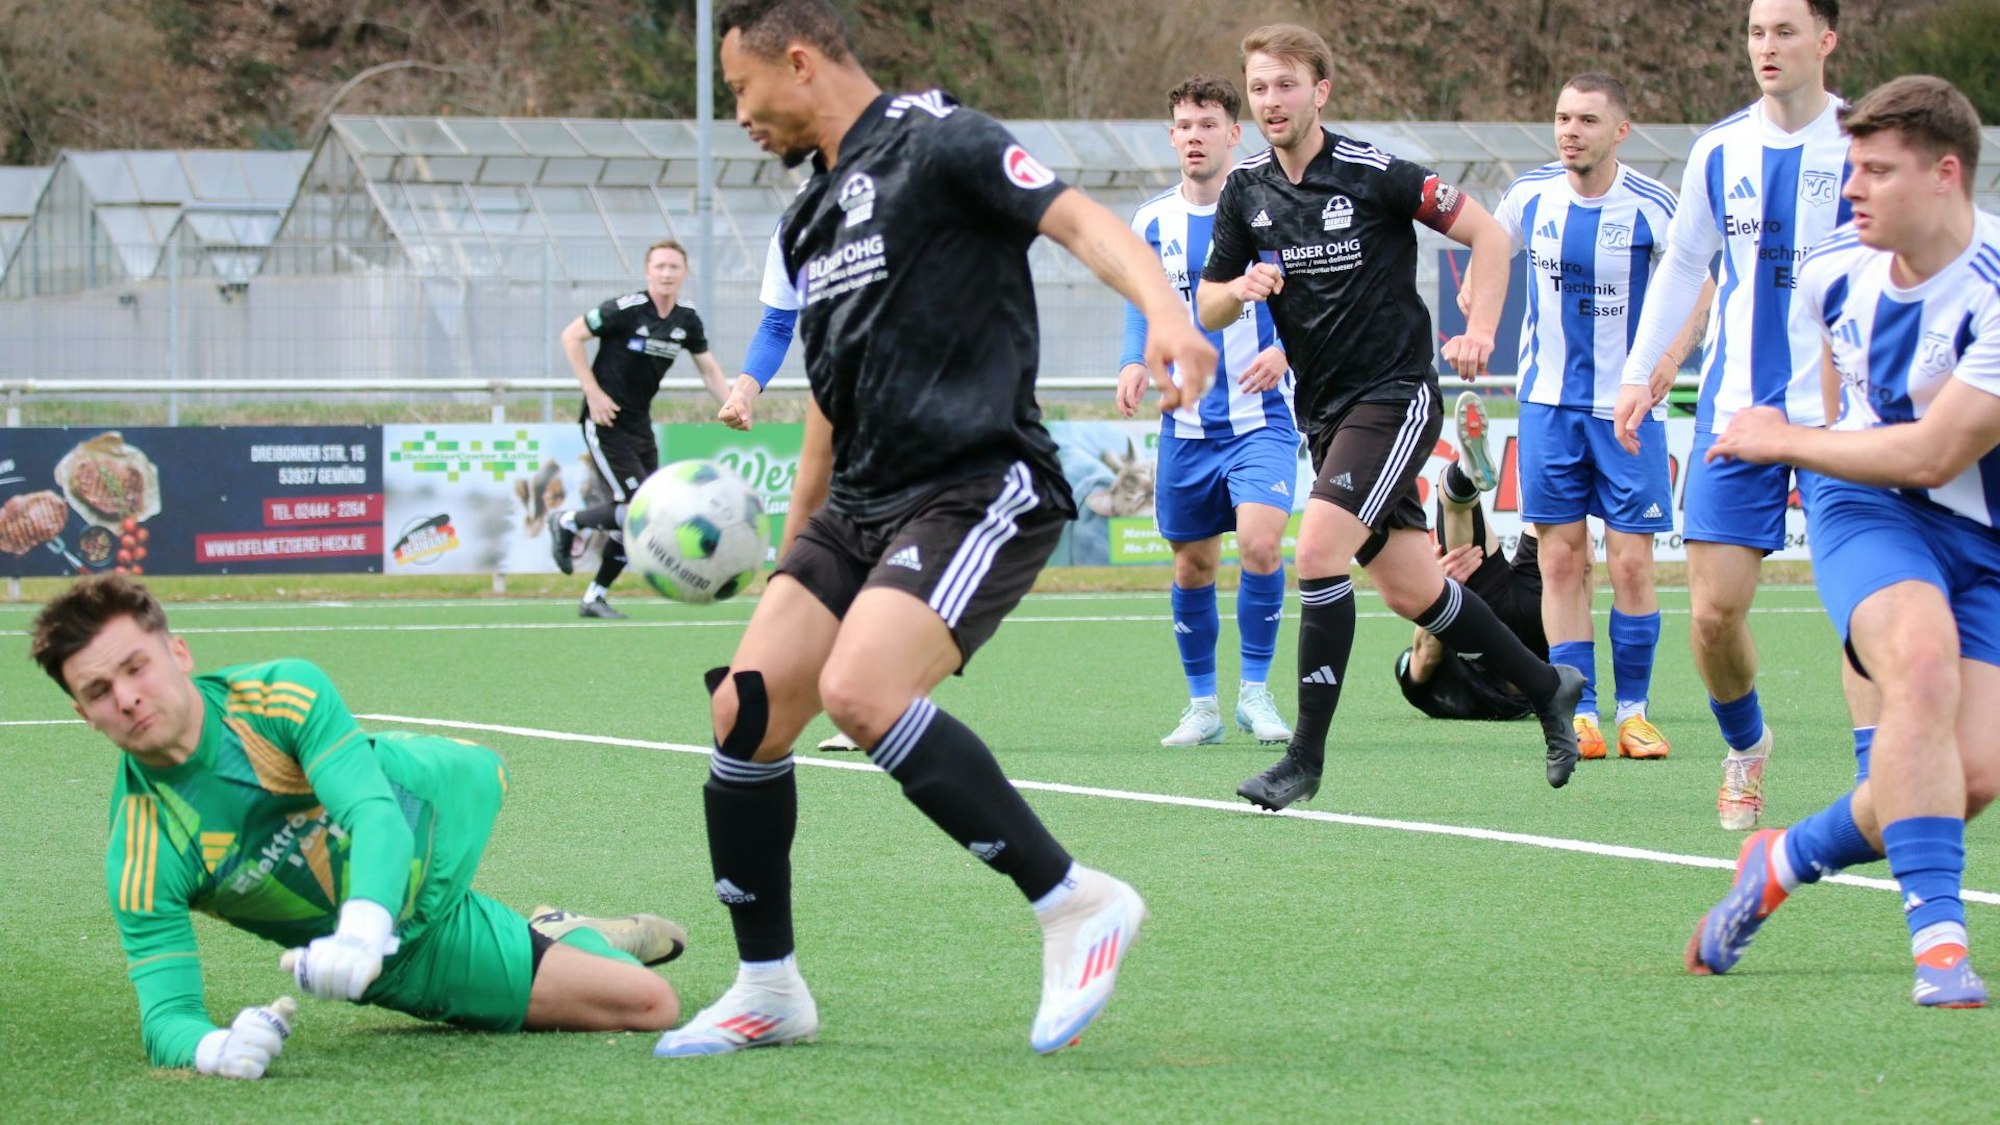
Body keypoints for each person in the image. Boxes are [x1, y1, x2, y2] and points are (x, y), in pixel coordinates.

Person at [653, 0, 1216, 1059]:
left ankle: (1075, 901)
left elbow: (1078, 221)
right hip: (856, 504)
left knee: (863, 692)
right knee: (746, 709)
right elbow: (827, 403)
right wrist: (797, 556)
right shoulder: (808, 220)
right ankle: (768, 987)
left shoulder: (942, 141)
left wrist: (1168, 314)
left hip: (974, 483)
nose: (739, 116)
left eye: (739, 90)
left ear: (799, 62)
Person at [26, 574, 686, 1079]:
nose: (127, 697)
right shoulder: (143, 853)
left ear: (178, 652)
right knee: (650, 1003)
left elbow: (375, 817)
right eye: (98, 691)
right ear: (84, 714)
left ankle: (540, 933)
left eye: (136, 666)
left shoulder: (280, 693)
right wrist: (216, 1048)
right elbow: (167, 1019)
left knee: (482, 767)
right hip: (409, 951)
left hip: (429, 805)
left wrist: (359, 930)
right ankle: (563, 933)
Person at [1197, 23, 1584, 811]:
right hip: (1325, 415)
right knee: (1413, 590)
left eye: (1286, 84)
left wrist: (1480, 329)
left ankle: (1303, 760)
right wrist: (1240, 290)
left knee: (1317, 551)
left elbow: (1487, 234)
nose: (1271, 100)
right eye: (1259, 87)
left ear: (1321, 91)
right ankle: (1550, 687)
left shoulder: (1374, 172)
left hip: (1396, 394)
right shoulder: (1245, 192)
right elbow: (1206, 305)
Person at [1690, 75, 1998, 1008]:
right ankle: (1940, 946)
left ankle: (1783, 858)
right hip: (1870, 508)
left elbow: (1937, 451)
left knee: (1967, 775)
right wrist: (1810, 451)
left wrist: (1783, 439)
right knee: (1921, 664)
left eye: (1877, 171)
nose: (1852, 187)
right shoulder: (1833, 271)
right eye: (1852, 167)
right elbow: (1843, 407)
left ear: (1946, 174)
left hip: (1977, 531)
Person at [1613, 0, 1866, 828]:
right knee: (1714, 614)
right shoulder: (1719, 150)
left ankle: (1882, 782)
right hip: (1735, 414)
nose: (1767, 46)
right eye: (1757, 31)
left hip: (1844, 423)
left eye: (1785, 30)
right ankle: (1746, 746)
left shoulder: (1866, 143)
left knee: (1866, 613)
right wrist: (1639, 374)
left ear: (1825, 40)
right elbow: (1685, 263)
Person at [1493, 73, 1698, 762]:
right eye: (1562, 118)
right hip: (1548, 405)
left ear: (1620, 131)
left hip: (1627, 409)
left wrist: (1668, 359)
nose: (1570, 131)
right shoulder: (1529, 195)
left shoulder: (1653, 205)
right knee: (1559, 559)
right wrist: (1479, 312)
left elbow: (1701, 283)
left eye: (1586, 119)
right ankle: (1578, 709)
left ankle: (1634, 712)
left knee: (1632, 563)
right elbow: (1488, 248)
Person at [1113, 73, 1296, 748]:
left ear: (1234, 134)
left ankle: (1255, 692)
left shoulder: (1269, 209)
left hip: (1260, 418)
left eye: (1208, 125)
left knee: (1261, 543)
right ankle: (1203, 707)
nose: (1195, 137)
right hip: (1185, 426)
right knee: (1192, 565)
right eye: (1185, 126)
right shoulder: (1151, 221)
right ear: (1172, 137)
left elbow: (1307, 296)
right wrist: (1134, 361)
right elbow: (1142, 300)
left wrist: (1286, 352)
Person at [549, 239, 730, 619]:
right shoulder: (625, 309)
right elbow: (571, 336)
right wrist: (593, 392)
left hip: (640, 426)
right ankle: (567, 521)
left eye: (673, 267)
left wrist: (732, 403)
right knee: (639, 508)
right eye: (659, 266)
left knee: (647, 513)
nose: (666, 273)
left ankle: (594, 596)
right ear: (647, 271)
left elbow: (709, 369)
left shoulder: (686, 319)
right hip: (606, 422)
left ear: (685, 273)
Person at [1396, 393, 1549, 722]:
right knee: (1458, 516)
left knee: (1559, 533)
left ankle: (1468, 474)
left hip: (1523, 639)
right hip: (1510, 627)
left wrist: (1443, 590)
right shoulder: (1423, 687)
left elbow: (1427, 652)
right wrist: (1436, 590)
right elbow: (1425, 654)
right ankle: (1464, 475)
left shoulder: (1432, 693)